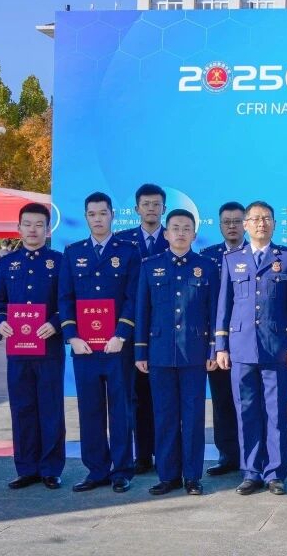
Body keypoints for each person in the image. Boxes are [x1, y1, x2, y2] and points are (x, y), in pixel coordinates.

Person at [215, 200, 287, 496]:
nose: (260, 224)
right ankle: (251, 471)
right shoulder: (232, 259)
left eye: (266, 218)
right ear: (246, 225)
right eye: (254, 219)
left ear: (274, 224)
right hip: (240, 347)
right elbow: (224, 305)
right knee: (247, 412)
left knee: (276, 413)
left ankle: (275, 473)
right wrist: (221, 346)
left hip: (275, 347)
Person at [59, 192, 141, 493]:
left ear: (112, 215)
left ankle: (122, 470)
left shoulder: (129, 251)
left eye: (103, 213)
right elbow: (65, 298)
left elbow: (134, 297)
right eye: (92, 214)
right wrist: (72, 336)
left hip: (117, 348)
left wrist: (121, 335)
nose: (97, 219)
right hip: (84, 348)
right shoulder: (73, 252)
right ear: (85, 217)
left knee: (121, 410)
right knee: (90, 410)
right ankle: (96, 470)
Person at [134, 209, 219, 496]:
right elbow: (142, 311)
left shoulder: (207, 267)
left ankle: (192, 476)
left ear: (194, 234)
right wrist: (140, 351)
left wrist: (213, 348)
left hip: (195, 353)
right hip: (159, 353)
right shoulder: (150, 266)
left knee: (193, 417)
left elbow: (214, 312)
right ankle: (168, 475)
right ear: (166, 233)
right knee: (164, 416)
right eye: (175, 228)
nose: (181, 233)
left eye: (186, 228)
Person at [0, 203, 66, 490]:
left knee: (50, 408)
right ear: (19, 228)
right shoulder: (7, 263)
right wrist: (0, 322)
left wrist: (56, 323)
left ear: (48, 230)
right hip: (18, 350)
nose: (33, 230)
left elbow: (67, 301)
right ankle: (26, 468)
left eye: (39, 225)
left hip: (49, 348)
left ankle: (51, 469)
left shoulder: (59, 262)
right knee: (22, 407)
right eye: (27, 224)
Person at [114, 183, 169, 475]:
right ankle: (142, 454)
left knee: (164, 398)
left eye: (156, 204)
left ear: (164, 208)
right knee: (135, 397)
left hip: (164, 333)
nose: (151, 209)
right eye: (146, 204)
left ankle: (166, 454)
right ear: (136, 209)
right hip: (130, 332)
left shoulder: (175, 238)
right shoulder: (122, 242)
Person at [200, 201, 246, 477]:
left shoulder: (255, 254)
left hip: (248, 341)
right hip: (218, 343)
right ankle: (228, 455)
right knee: (222, 401)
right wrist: (213, 345)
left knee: (250, 401)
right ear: (219, 225)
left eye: (237, 221)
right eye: (227, 222)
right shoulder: (207, 257)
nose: (232, 226)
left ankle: (253, 456)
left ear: (246, 224)